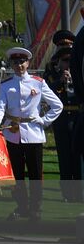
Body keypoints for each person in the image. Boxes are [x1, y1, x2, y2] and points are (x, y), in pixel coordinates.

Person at [0, 47, 63, 220]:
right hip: (13, 134)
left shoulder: (38, 82)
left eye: (22, 62)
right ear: (11, 64)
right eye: (15, 62)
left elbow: (57, 105)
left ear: (28, 63)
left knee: (35, 174)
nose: (19, 65)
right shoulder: (7, 85)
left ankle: (35, 207)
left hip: (33, 134)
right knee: (17, 174)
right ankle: (21, 206)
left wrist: (44, 120)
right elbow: (1, 107)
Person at [44, 30, 80, 202]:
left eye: (68, 47)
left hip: (78, 115)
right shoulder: (51, 69)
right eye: (62, 49)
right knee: (64, 156)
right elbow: (46, 90)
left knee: (78, 155)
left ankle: (80, 192)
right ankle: (67, 193)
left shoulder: (80, 64)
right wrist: (60, 79)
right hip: (61, 117)